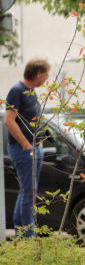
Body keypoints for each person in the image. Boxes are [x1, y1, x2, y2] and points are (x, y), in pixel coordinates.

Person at [3, 57, 51, 238]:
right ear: (38, 74)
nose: (46, 79)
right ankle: (28, 239)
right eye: (45, 75)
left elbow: (35, 118)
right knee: (29, 195)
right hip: (22, 149)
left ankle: (20, 235)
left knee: (26, 193)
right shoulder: (17, 91)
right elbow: (9, 120)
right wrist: (25, 144)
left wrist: (39, 141)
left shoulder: (32, 92)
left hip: (34, 147)